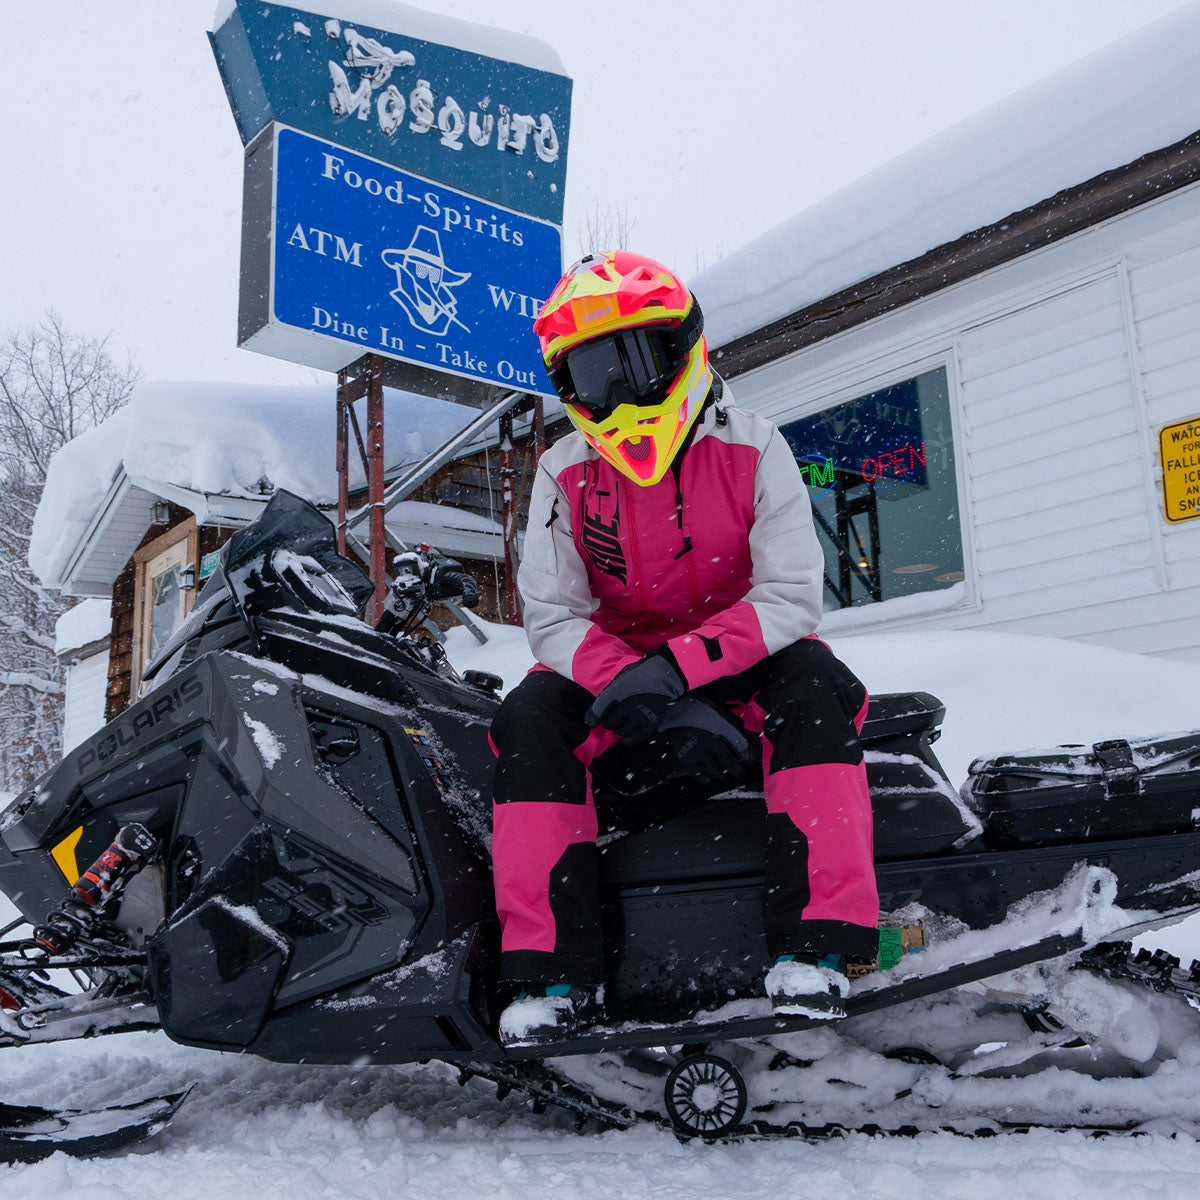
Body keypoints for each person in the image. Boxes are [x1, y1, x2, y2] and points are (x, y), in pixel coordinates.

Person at [490, 250, 878, 1045]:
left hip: (743, 658)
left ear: (682, 349)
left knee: (817, 682)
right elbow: (553, 613)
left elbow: (791, 595)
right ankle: (548, 974)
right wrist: (628, 677)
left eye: (634, 361)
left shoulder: (756, 446)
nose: (619, 394)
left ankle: (822, 944)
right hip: (619, 667)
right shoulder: (563, 470)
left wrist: (679, 670)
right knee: (528, 719)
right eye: (594, 376)